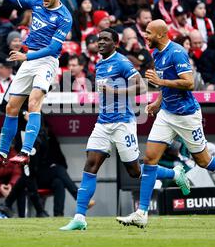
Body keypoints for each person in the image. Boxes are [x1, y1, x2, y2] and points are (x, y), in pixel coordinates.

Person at [116, 20, 215, 229]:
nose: (145, 36)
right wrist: (157, 102)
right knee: (150, 158)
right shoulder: (157, 53)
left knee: (204, 161)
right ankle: (141, 213)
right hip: (167, 114)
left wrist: (160, 82)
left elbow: (189, 82)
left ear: (161, 35)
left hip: (187, 115)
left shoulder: (177, 53)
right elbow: (165, 84)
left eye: (148, 33)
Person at [59, 28, 190, 231]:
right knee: (90, 165)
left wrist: (114, 90)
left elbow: (143, 87)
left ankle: (173, 173)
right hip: (103, 123)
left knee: (135, 171)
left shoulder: (121, 62)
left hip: (123, 123)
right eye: (99, 39)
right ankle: (79, 218)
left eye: (105, 40)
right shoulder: (99, 64)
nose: (100, 42)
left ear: (116, 44)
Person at [0, 0, 73, 165]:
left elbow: (54, 48)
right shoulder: (37, 2)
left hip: (46, 61)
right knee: (11, 106)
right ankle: (2, 154)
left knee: (33, 103)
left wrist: (26, 56)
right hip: (29, 58)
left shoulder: (65, 17)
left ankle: (25, 152)